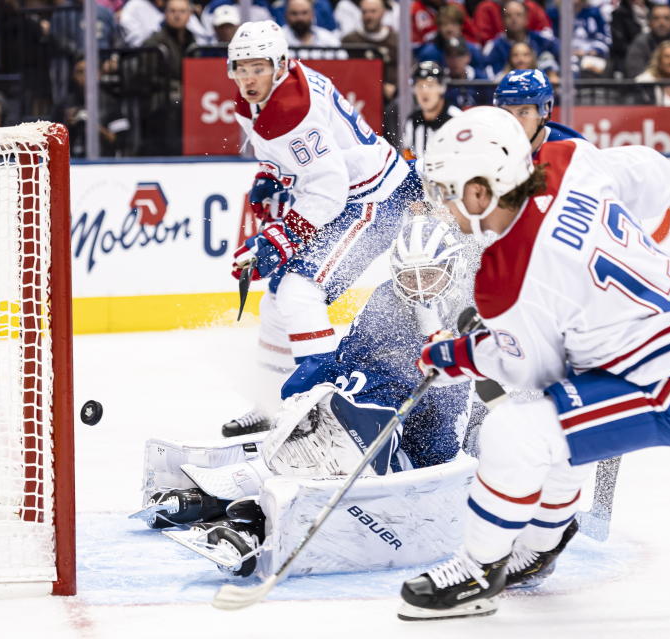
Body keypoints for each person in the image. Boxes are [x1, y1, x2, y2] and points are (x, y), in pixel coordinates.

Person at [397, 106, 670, 620]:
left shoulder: (505, 280)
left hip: (667, 382)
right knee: (555, 422)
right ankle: (543, 543)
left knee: (515, 430)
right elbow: (654, 173)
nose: (443, 205)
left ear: (483, 190)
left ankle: (477, 572)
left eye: (448, 191)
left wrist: (458, 355)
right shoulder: (567, 158)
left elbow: (532, 372)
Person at [135, 215, 483, 577]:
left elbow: (484, 384)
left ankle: (258, 510)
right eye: (409, 277)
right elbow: (353, 358)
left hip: (430, 435)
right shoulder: (387, 298)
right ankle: (224, 495)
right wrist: (319, 380)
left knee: (373, 431)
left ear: (453, 266)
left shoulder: (474, 306)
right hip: (391, 414)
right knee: (340, 412)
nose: (419, 288)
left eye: (428, 276)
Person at [225, 21, 422, 424]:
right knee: (278, 299)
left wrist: (278, 239)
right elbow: (296, 159)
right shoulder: (265, 95)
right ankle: (272, 405)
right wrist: (270, 173)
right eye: (240, 68)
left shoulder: (291, 111)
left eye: (257, 67)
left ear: (279, 65)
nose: (248, 78)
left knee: (300, 289)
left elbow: (329, 190)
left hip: (375, 196)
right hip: (351, 193)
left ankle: (320, 405)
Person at [493, 68, 583, 155]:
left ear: (545, 109)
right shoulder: (492, 146)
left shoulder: (573, 154)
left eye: (523, 112)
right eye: (507, 113)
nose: (514, 121)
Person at [482, 0, 559, 80]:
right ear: (502, 20)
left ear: (526, 18)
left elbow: (564, 60)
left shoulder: (543, 42)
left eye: (518, 15)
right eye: (508, 15)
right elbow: (488, 81)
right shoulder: (494, 47)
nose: (514, 19)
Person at [341, 0, 400, 102]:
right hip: (359, 96)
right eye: (365, 12)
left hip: (391, 99)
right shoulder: (349, 41)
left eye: (373, 11)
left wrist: (396, 87)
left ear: (383, 12)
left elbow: (407, 68)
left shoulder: (396, 40)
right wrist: (379, 86)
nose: (368, 16)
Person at [402, 61, 461, 161]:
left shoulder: (457, 119)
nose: (424, 91)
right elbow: (409, 159)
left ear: (441, 88)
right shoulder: (411, 121)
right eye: (420, 86)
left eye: (430, 85)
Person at [624, 2, 670, 78]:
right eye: (656, 18)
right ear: (649, 22)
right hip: (648, 88)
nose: (662, 23)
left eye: (666, 18)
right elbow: (635, 77)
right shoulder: (640, 44)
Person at [282, 0, 347, 59]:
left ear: (312, 14)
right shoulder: (279, 37)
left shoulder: (327, 38)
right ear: (286, 15)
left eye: (304, 13)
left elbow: (343, 58)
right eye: (294, 13)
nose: (300, 18)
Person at [443, 37, 491, 109]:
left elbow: (490, 108)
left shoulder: (481, 79)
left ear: (468, 57)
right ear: (445, 58)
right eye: (450, 55)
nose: (455, 60)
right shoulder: (441, 81)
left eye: (459, 55)